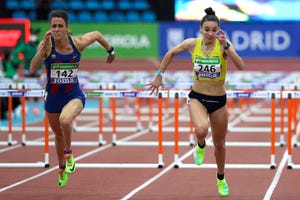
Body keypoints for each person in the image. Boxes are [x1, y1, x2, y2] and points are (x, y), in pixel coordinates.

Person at [147, 7, 245, 197]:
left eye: (214, 30)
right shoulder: (192, 44)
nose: (210, 33)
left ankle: (221, 178)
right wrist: (159, 75)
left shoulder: (224, 45)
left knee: (220, 144)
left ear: (219, 30)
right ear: (201, 29)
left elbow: (240, 65)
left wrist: (227, 47)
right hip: (197, 97)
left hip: (218, 100)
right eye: (207, 29)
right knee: (201, 129)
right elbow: (171, 52)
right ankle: (200, 144)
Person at [30, 9, 116, 188]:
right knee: (58, 134)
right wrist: (42, 49)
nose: (56, 29)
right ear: (49, 28)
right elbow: (32, 68)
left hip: (73, 94)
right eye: (53, 26)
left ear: (67, 28)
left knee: (65, 119)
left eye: (60, 26)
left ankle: (69, 155)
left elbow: (98, 34)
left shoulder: (77, 43)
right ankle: (62, 168)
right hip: (53, 97)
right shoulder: (46, 45)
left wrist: (110, 51)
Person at [11, 28, 43, 115]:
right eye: (31, 34)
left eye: (34, 34)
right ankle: (26, 107)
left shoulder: (40, 44)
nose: (33, 36)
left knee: (37, 88)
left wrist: (43, 64)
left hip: (37, 69)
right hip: (27, 69)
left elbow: (45, 54)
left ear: (36, 36)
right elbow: (16, 52)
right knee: (27, 88)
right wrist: (17, 62)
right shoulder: (25, 44)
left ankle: (36, 107)